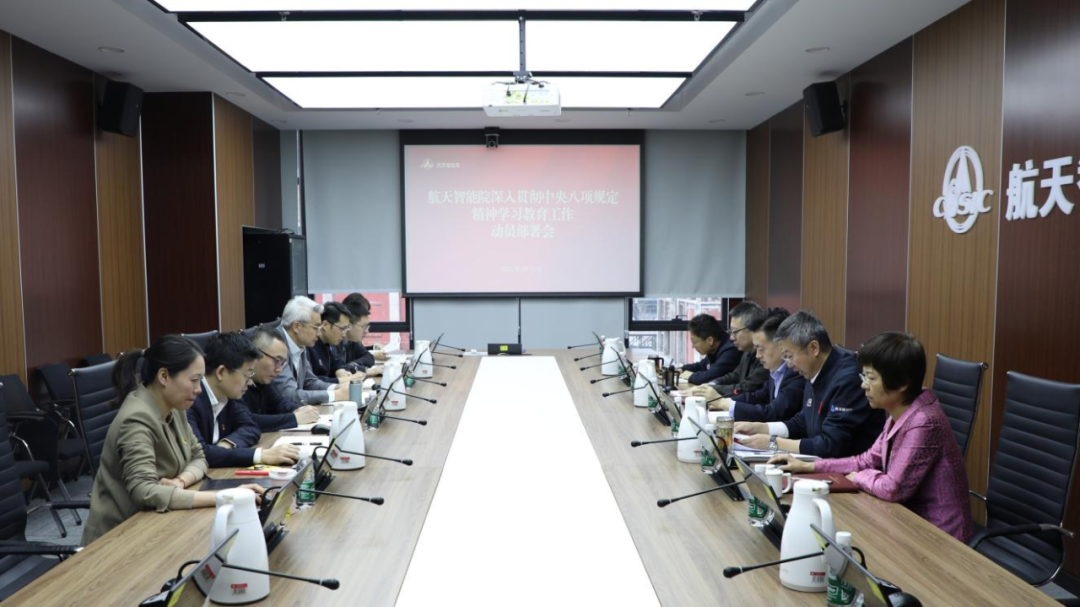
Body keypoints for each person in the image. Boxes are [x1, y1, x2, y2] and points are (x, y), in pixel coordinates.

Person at [769, 332, 973, 543]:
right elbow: (866, 460)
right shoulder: (900, 409)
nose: (864, 385)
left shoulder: (923, 421)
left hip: (939, 536)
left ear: (902, 383)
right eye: (863, 376)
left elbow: (893, 488)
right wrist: (808, 466)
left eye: (871, 378)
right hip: (905, 519)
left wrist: (859, 477)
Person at [83, 336, 264, 546]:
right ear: (164, 376)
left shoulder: (175, 406)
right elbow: (145, 491)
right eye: (194, 380)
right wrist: (224, 497)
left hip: (158, 523)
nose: (199, 389)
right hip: (118, 539)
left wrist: (181, 481)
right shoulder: (136, 419)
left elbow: (199, 456)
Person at [734, 310, 885, 458]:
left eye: (789, 356)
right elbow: (803, 421)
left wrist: (773, 443)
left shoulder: (848, 379)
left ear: (813, 348)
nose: (789, 364)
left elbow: (830, 445)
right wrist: (762, 428)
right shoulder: (813, 369)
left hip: (850, 470)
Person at [188, 333, 300, 468]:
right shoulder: (190, 400)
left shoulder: (227, 397)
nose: (250, 382)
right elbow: (201, 453)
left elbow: (251, 426)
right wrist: (260, 455)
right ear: (221, 372)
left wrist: (226, 445)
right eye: (247, 374)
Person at [712, 308, 805, 422]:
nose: (757, 355)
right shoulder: (775, 369)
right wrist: (723, 401)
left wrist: (726, 404)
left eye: (761, 349)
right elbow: (759, 396)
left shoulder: (796, 371)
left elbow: (775, 413)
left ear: (781, 345)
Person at [270, 296, 351, 406]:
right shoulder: (275, 346)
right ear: (297, 326)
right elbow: (290, 396)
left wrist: (336, 387)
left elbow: (309, 382)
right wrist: (334, 395)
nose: (319, 333)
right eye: (315, 327)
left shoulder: (299, 344)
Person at [242, 327, 321, 432]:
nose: (279, 369)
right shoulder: (237, 383)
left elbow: (279, 404)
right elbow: (247, 420)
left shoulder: (262, 380)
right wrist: (295, 418)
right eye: (277, 361)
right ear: (256, 354)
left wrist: (299, 409)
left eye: (282, 363)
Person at [691, 301, 769, 402]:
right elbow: (735, 375)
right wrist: (711, 384)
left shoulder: (766, 356)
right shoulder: (747, 351)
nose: (731, 338)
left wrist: (713, 390)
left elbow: (747, 387)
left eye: (735, 332)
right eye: (731, 332)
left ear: (752, 329)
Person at [307, 301, 366, 384]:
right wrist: (344, 380)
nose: (344, 335)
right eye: (342, 329)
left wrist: (339, 370)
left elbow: (337, 363)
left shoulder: (328, 344)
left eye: (346, 329)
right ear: (325, 325)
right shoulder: (309, 345)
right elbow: (310, 382)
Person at [677, 313, 740, 386]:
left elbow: (708, 377)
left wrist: (688, 375)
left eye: (694, 342)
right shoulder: (716, 347)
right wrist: (682, 369)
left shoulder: (731, 350)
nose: (692, 346)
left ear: (710, 340)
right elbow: (702, 366)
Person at [342, 293, 388, 372]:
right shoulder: (335, 341)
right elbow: (340, 369)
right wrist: (355, 367)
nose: (367, 331)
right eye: (364, 326)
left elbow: (368, 357)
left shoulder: (353, 341)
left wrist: (352, 366)